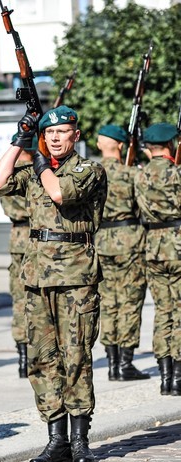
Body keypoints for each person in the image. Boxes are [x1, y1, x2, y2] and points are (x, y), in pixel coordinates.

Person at [0, 105, 107, 462]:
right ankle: (56, 441)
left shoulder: (89, 169)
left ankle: (80, 441)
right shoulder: (33, 170)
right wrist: (19, 139)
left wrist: (40, 158)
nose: (55, 138)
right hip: (37, 275)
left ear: (75, 134)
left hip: (75, 275)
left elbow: (59, 194)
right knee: (42, 359)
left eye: (62, 132)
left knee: (76, 357)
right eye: (49, 133)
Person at [95, 125, 149, 382]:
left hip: (102, 241)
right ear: (120, 145)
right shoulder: (131, 174)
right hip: (129, 240)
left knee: (107, 302)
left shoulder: (91, 173)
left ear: (98, 145)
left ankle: (112, 362)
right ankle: (126, 363)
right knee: (129, 301)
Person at [133, 122, 181, 396]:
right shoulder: (176, 173)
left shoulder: (139, 176)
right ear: (171, 145)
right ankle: (178, 376)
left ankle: (164, 376)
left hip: (153, 246)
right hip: (177, 243)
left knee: (163, 311)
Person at [0, 134, 37, 378]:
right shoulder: (37, 173)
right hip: (37, 237)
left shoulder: (7, 173)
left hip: (17, 239)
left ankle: (22, 358)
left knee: (19, 299)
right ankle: (35, 355)